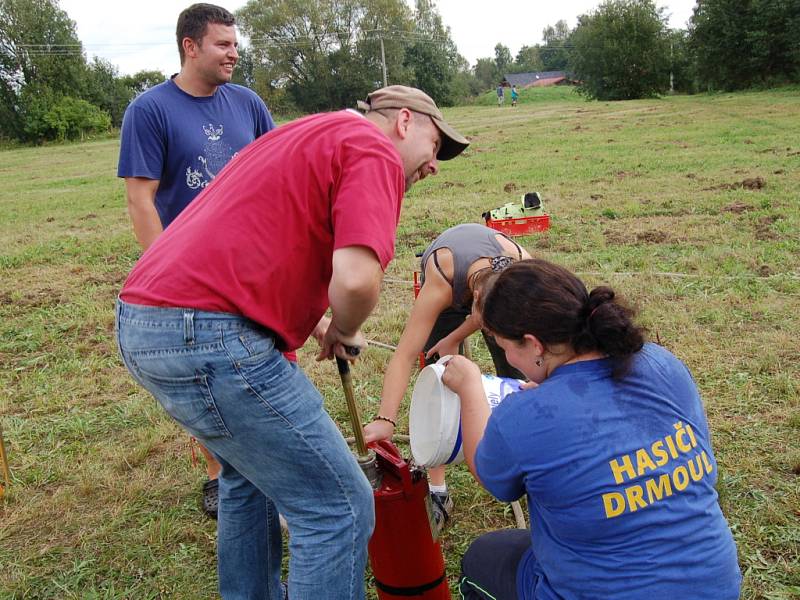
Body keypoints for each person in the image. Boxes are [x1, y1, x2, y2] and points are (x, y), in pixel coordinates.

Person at [116, 85, 469, 599]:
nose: (433, 166)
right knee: (339, 506)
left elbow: (261, 236)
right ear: (405, 122)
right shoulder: (372, 149)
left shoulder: (308, 133)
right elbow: (354, 280)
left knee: (248, 478)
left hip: (147, 323)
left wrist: (323, 327)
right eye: (436, 148)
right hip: (209, 337)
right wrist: (347, 325)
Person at [439, 259, 741, 599]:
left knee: (482, 558)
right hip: (714, 586)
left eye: (506, 347)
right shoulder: (661, 363)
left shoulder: (527, 416)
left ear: (534, 344)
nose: (508, 359)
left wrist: (469, 389)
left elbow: (490, 473)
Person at [117, 2, 276, 518]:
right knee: (209, 379)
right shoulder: (150, 110)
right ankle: (218, 472)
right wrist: (168, 270)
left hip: (253, 264)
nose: (235, 53)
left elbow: (274, 172)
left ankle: (264, 463)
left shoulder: (248, 104)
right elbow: (141, 198)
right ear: (190, 46)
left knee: (263, 364)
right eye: (223, 45)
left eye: (235, 43)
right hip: (193, 273)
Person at [364, 223, 531, 531]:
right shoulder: (440, 283)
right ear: (477, 299)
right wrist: (386, 419)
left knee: (523, 377)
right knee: (437, 380)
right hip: (453, 279)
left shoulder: (525, 271)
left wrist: (460, 337)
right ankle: (438, 492)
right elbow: (403, 354)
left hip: (491, 293)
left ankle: (528, 465)